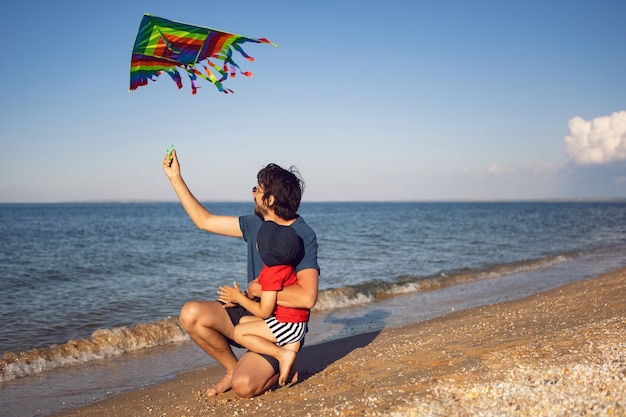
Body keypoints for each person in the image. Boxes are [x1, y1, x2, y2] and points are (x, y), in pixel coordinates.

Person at [162, 149, 319, 398]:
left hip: (279, 324)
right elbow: (205, 221)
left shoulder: (302, 235)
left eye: (257, 189)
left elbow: (307, 298)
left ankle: (281, 357)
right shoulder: (255, 223)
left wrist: (259, 291)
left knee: (244, 387)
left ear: (270, 200)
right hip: (250, 310)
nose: (253, 193)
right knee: (191, 314)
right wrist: (175, 178)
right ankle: (231, 369)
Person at [217, 220, 308, 386]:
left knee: (239, 332)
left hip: (289, 325)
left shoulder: (274, 274)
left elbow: (264, 312)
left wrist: (240, 298)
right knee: (244, 321)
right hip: (291, 322)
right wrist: (241, 296)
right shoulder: (280, 265)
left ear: (262, 248)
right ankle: (288, 350)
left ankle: (282, 354)